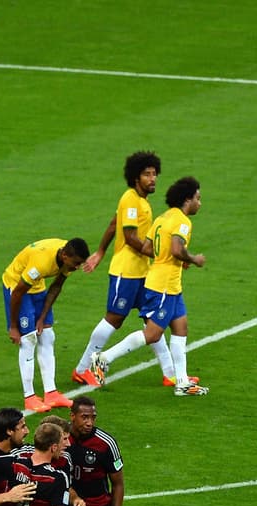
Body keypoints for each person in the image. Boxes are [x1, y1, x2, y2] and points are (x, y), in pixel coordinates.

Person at [72, 151, 184, 388]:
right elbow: (131, 237)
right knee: (115, 318)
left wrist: (100, 251)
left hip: (143, 272)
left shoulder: (141, 201)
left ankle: (170, 373)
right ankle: (82, 369)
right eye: (146, 174)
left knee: (152, 320)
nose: (152, 179)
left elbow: (115, 223)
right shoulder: (131, 199)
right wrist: (160, 254)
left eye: (154, 174)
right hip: (127, 271)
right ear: (135, 177)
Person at [94, 177, 208, 396]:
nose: (199, 203)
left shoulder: (163, 218)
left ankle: (182, 382)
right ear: (187, 200)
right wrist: (193, 259)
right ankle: (103, 358)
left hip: (169, 283)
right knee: (153, 334)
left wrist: (169, 257)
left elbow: (147, 246)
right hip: (163, 285)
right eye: (198, 198)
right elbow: (176, 248)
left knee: (181, 327)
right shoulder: (183, 222)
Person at [2, 237, 91, 413]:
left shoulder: (67, 256)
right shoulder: (41, 262)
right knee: (28, 340)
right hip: (16, 285)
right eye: (76, 263)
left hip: (36, 287)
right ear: (65, 256)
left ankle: (51, 393)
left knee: (47, 335)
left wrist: (42, 317)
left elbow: (57, 286)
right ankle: (29, 397)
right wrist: (13, 326)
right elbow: (19, 291)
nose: (77, 267)